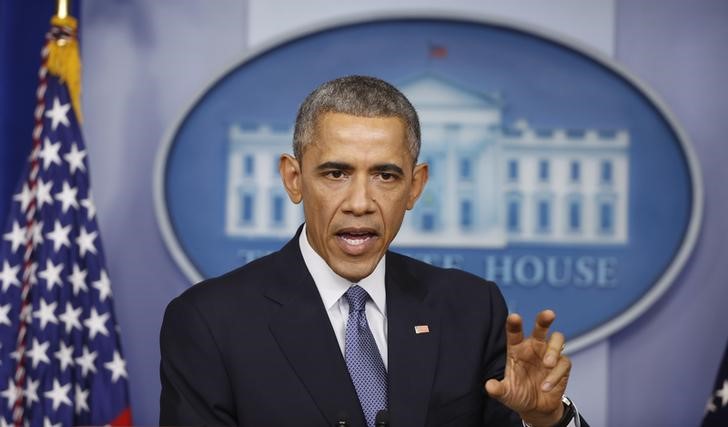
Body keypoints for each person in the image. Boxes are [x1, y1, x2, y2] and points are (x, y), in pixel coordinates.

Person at [159, 76, 587, 427]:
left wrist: (547, 419)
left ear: (414, 187)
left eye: (385, 175)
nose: (360, 202)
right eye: (336, 173)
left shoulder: (471, 308)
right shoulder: (209, 321)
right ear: (293, 178)